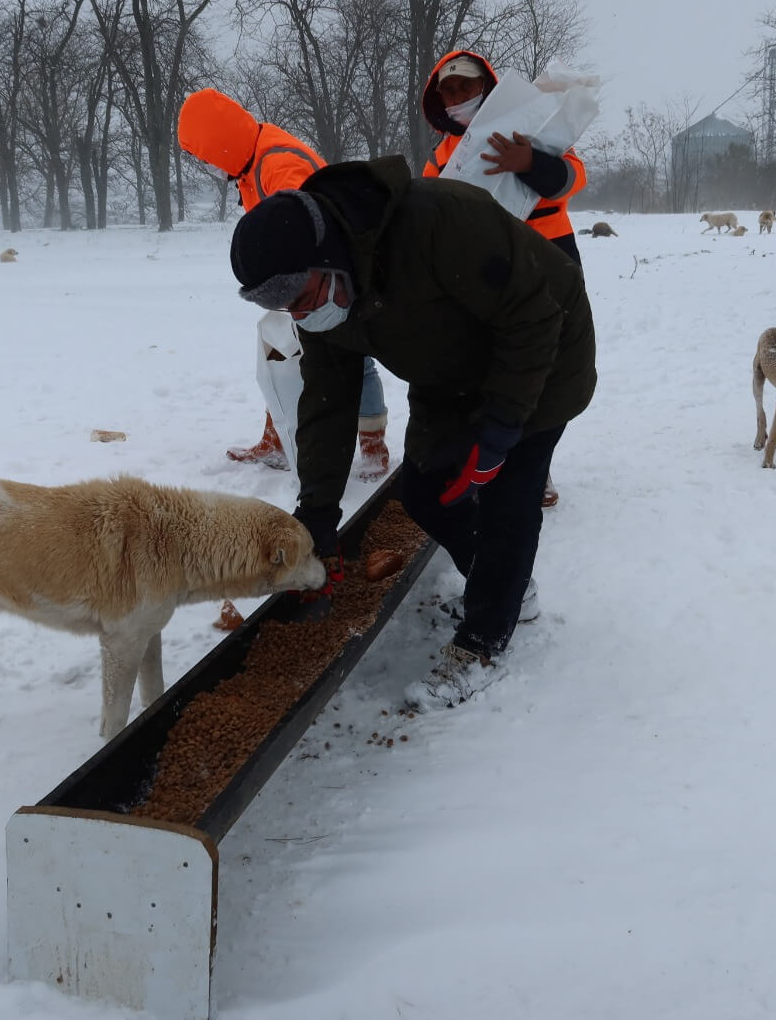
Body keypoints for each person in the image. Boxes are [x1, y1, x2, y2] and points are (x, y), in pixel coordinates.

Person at [227, 155, 596, 709]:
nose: (299, 316)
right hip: (447, 367)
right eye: (285, 308)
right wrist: (318, 513)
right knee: (425, 491)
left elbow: (533, 318)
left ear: (326, 256)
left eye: (300, 299)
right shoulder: (324, 301)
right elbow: (327, 403)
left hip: (542, 353)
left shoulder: (441, 220)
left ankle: (486, 638)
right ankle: (501, 586)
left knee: (506, 499)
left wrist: (499, 431)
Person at [177, 88, 390, 480]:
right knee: (281, 356)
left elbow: (309, 233)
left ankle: (373, 446)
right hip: (303, 284)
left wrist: (301, 295)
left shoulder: (278, 164)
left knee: (354, 358)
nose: (205, 164)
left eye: (203, 155)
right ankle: (275, 438)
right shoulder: (251, 164)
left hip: (334, 283)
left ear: (219, 142)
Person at [420, 50, 590, 508]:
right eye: (448, 91)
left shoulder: (530, 125)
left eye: (466, 87)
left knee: (550, 367)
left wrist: (528, 161)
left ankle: (537, 466)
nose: (457, 97)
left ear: (487, 88)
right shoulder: (439, 157)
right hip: (483, 273)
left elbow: (573, 176)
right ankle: (490, 456)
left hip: (550, 259)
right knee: (498, 367)